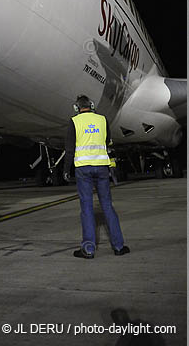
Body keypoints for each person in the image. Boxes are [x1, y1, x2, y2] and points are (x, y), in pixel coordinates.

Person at [63, 94, 130, 259]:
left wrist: (65, 169)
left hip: (83, 169)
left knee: (86, 208)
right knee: (107, 206)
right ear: (92, 106)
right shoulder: (102, 120)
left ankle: (89, 249)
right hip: (101, 168)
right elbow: (107, 142)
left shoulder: (74, 122)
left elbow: (70, 149)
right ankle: (119, 246)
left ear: (77, 108)